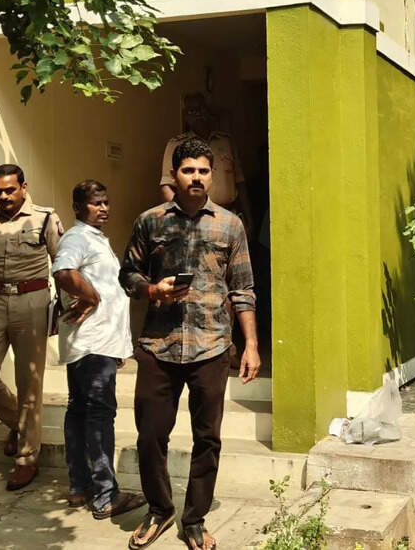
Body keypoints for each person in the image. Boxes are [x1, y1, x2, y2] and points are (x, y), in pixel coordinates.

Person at [121, 138, 260, 550]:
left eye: (203, 171)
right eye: (188, 170)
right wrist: (152, 290)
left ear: (212, 176)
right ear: (174, 175)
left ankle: (195, 519)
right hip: (158, 345)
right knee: (150, 435)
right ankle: (159, 509)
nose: (196, 177)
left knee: (208, 438)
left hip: (211, 346)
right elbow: (127, 273)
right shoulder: (150, 222)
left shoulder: (230, 225)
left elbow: (243, 289)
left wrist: (251, 345)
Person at [0, 164, 64, 490]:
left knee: (29, 382)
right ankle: (18, 424)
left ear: (23, 187)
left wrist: (65, 308)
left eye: (10, 190)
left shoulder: (45, 219)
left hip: (31, 302)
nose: (4, 196)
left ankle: (26, 458)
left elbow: (63, 264)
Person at [52, 180, 145, 519]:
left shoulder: (94, 238)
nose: (103, 208)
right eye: (96, 203)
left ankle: (80, 487)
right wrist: (91, 297)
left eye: (105, 202)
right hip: (93, 343)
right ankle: (106, 496)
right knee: (99, 415)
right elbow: (63, 271)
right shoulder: (77, 237)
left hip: (95, 343)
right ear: (78, 207)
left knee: (80, 412)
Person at [159, 92, 253, 230]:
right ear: (186, 117)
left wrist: (248, 216)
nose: (198, 114)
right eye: (192, 111)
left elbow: (240, 182)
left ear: (209, 111)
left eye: (201, 109)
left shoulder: (226, 142)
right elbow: (166, 186)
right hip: (193, 219)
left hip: (228, 216)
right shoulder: (176, 145)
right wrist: (183, 217)